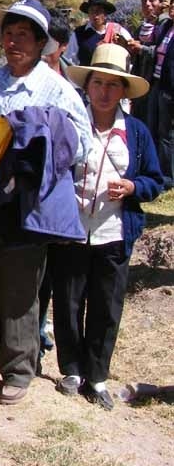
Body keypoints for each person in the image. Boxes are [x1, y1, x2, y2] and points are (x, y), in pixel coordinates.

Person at [0, 0, 92, 406]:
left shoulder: (56, 88)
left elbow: (82, 145)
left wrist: (42, 147)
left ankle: (19, 369)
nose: (13, 42)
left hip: (29, 200)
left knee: (21, 288)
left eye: (22, 35)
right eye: (8, 34)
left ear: (41, 41)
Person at [52, 44, 163, 410]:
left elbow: (156, 180)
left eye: (112, 85)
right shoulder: (69, 124)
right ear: (88, 85)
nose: (103, 91)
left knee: (106, 305)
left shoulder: (137, 132)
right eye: (98, 83)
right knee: (68, 301)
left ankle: (97, 375)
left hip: (114, 232)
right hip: (72, 230)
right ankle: (70, 368)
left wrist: (133, 187)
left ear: (123, 91)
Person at [128, 0, 168, 123]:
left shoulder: (165, 25)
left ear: (162, 3)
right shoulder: (141, 27)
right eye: (144, 0)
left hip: (157, 83)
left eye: (152, 0)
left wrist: (141, 48)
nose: (147, 4)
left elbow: (162, 51)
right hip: (142, 80)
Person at [73, 0, 131, 67]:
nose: (95, 15)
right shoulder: (78, 33)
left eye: (99, 11)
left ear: (105, 13)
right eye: (92, 11)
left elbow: (129, 55)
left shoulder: (118, 31)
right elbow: (70, 59)